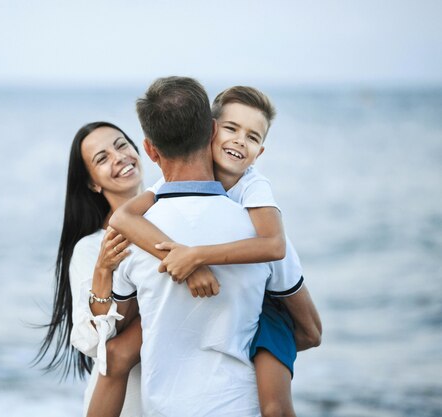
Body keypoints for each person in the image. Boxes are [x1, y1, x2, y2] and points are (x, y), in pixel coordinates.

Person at [110, 86, 322, 416]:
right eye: (231, 129)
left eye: (252, 137)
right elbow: (311, 332)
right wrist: (185, 261)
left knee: (275, 395)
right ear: (211, 130)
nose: (239, 141)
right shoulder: (161, 200)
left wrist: (196, 256)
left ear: (151, 150)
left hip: (168, 401)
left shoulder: (254, 188)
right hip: (233, 398)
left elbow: (273, 245)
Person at [35, 121, 218, 417]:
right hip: (129, 404)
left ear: (140, 149)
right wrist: (103, 272)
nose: (118, 157)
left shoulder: (181, 217)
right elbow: (96, 346)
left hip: (191, 393)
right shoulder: (93, 248)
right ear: (93, 183)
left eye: (121, 145)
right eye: (102, 158)